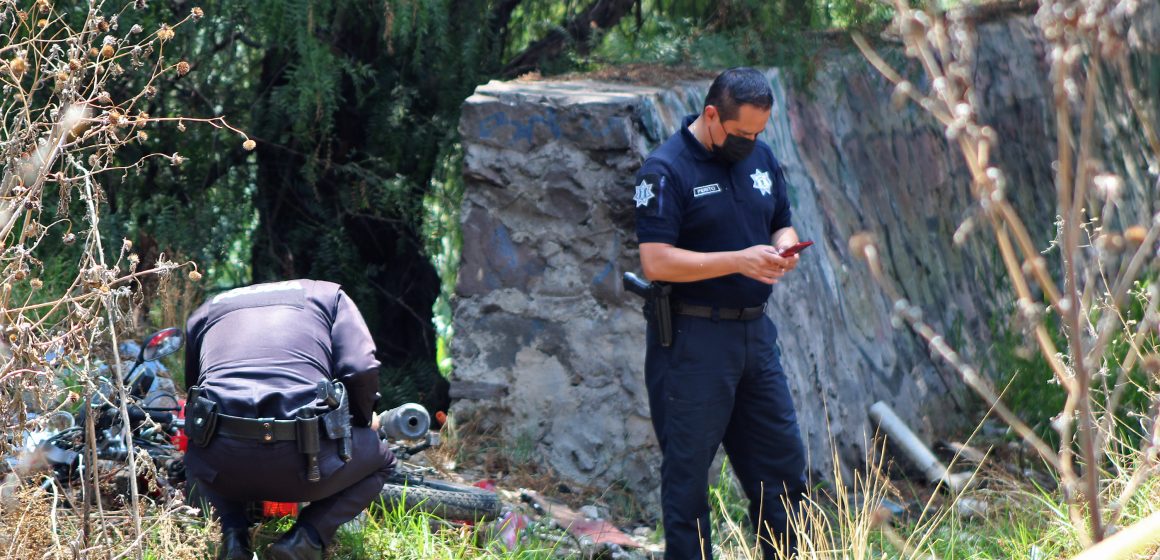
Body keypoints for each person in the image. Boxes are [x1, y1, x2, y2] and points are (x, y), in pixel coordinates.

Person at [632, 67, 808, 559]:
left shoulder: (760, 157)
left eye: (758, 133)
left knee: (784, 472)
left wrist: (785, 248)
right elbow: (656, 259)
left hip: (755, 336)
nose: (751, 142)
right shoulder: (665, 170)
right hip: (693, 340)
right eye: (742, 133)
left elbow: (781, 223)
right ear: (712, 115)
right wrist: (739, 259)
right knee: (688, 481)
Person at [182, 279, 396, 560]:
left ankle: (234, 537)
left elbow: (195, 395)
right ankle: (306, 539)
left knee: (204, 442)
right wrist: (360, 419)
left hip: (224, 469)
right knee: (383, 462)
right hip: (306, 467)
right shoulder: (329, 296)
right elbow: (359, 369)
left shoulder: (207, 310)